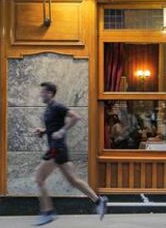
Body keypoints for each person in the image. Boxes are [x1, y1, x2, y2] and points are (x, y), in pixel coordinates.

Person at [33, 82, 108, 226]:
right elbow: (54, 126)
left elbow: (75, 117)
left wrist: (62, 131)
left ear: (50, 93)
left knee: (39, 178)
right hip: (59, 149)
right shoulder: (49, 109)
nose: (41, 94)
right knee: (73, 180)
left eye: (43, 92)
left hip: (56, 149)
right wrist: (43, 131)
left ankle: (48, 212)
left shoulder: (57, 106)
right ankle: (99, 201)